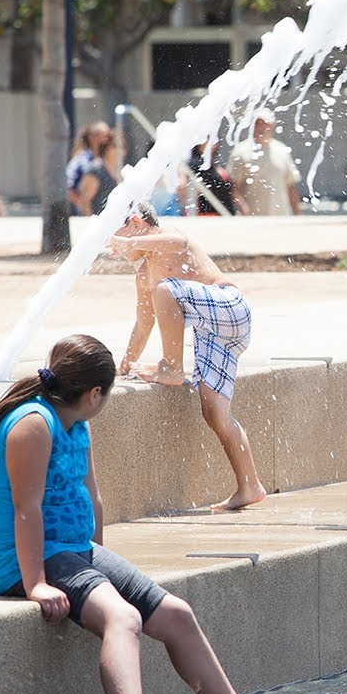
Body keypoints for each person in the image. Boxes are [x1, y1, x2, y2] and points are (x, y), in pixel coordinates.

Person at [0, 334, 238, 694]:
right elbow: (26, 508)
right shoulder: (33, 424)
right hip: (28, 559)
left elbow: (92, 497)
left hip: (74, 552)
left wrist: (97, 574)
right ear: (94, 394)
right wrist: (35, 584)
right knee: (124, 618)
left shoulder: (77, 423)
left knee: (177, 614)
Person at [110, 205, 267, 511]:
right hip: (212, 332)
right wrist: (124, 366)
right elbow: (144, 325)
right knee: (213, 410)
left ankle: (171, 366)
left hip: (230, 307)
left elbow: (178, 243)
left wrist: (129, 243)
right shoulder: (145, 275)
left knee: (166, 290)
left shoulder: (170, 238)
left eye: (116, 235)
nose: (115, 247)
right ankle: (250, 486)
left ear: (136, 222)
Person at [228, 109, 301, 216]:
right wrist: (244, 209)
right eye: (257, 123)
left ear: (272, 126)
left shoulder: (282, 150)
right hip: (254, 218)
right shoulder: (241, 151)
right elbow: (234, 188)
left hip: (281, 216)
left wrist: (297, 212)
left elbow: (290, 186)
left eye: (265, 124)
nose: (261, 128)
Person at [67, 122, 112, 214]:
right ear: (90, 137)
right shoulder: (80, 160)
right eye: (100, 134)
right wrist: (86, 209)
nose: (105, 139)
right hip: (83, 217)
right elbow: (68, 189)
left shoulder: (105, 162)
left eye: (108, 136)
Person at [186, 142, 236, 216]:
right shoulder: (195, 166)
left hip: (223, 214)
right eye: (208, 138)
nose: (214, 142)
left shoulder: (212, 165)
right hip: (207, 216)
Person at [76, 137, 122, 217]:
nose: (120, 150)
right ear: (106, 147)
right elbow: (85, 200)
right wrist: (91, 223)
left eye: (123, 147)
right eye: (115, 146)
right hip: (96, 221)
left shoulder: (118, 171)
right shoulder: (96, 170)